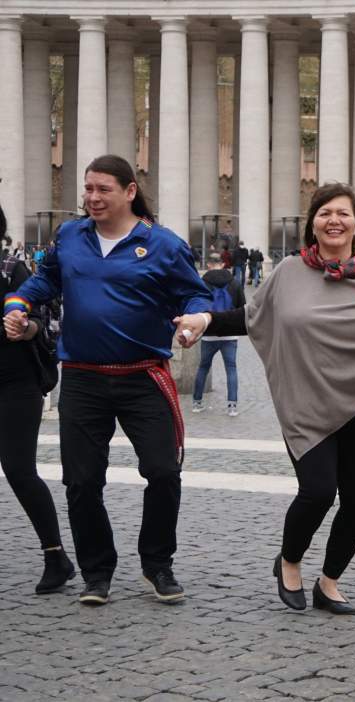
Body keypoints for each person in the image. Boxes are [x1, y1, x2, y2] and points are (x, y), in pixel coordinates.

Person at [174, 182, 355, 615]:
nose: (334, 221)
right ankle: (289, 562)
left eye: (343, 213)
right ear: (313, 224)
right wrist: (205, 317)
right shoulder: (288, 272)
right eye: (325, 213)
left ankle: (329, 582)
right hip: (305, 406)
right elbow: (249, 318)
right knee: (318, 491)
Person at [4, 154, 212, 606]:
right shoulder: (70, 236)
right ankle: (96, 572)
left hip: (145, 376)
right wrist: (17, 302)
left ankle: (157, 564)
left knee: (163, 472)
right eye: (88, 189)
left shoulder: (162, 244)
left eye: (103, 190)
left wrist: (197, 316)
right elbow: (46, 281)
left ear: (130, 191)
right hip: (82, 377)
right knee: (81, 481)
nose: (92, 198)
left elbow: (195, 291)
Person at [0, 208, 76, 595]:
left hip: (15, 384)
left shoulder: (14, 271)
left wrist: (25, 327)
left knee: (19, 470)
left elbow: (47, 324)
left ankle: (55, 554)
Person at [191, 254, 244, 416]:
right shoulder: (234, 282)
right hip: (230, 333)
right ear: (222, 264)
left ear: (208, 265)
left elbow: (196, 305)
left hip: (208, 331)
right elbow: (242, 307)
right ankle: (232, 406)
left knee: (203, 367)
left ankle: (197, 403)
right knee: (231, 369)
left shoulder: (202, 283)